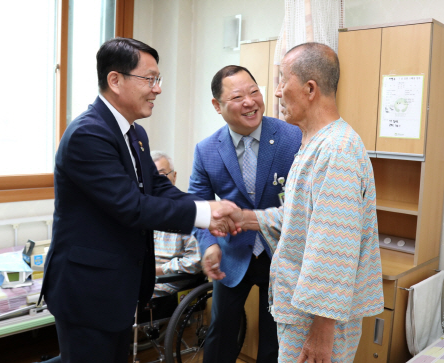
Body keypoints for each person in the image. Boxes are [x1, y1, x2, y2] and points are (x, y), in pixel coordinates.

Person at [40, 38, 238, 363]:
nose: (157, 89)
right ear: (115, 80)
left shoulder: (134, 133)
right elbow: (132, 207)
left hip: (117, 289)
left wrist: (205, 209)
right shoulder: (89, 135)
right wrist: (204, 213)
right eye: (149, 79)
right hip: (88, 291)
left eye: (157, 80)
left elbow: (157, 187)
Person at [213, 42, 384, 363]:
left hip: (317, 322)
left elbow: (333, 249)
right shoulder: (314, 144)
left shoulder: (336, 152)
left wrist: (322, 331)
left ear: (309, 88)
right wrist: (244, 217)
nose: (276, 92)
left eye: (282, 80)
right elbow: (299, 221)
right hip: (304, 313)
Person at [189, 65, 302, 362]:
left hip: (280, 254)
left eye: (254, 92)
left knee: (274, 340)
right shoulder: (206, 150)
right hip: (232, 256)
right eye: (238, 96)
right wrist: (209, 245)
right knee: (221, 335)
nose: (250, 102)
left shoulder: (293, 137)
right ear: (217, 105)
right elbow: (198, 206)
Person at [151, 150, 201, 297]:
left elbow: (195, 261)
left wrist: (159, 270)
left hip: (170, 281)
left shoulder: (188, 210)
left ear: (174, 176)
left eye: (161, 175)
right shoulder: (144, 210)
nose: (156, 182)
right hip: (143, 278)